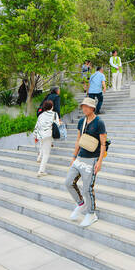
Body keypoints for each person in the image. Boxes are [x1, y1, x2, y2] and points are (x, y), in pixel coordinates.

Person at [65, 97, 107, 228]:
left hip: (92, 159)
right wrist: (73, 156)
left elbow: (103, 144)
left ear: (93, 108)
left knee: (87, 188)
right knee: (68, 182)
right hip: (80, 158)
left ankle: (91, 213)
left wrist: (99, 161)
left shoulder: (99, 122)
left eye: (87, 106)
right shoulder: (81, 122)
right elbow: (78, 140)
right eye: (83, 106)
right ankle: (81, 204)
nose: (84, 108)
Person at [34, 100, 59, 177]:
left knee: (42, 147)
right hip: (48, 135)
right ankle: (41, 171)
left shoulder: (41, 115)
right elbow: (57, 124)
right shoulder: (54, 114)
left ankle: (39, 158)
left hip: (41, 135)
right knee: (46, 154)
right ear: (51, 107)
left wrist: (35, 136)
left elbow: (37, 126)